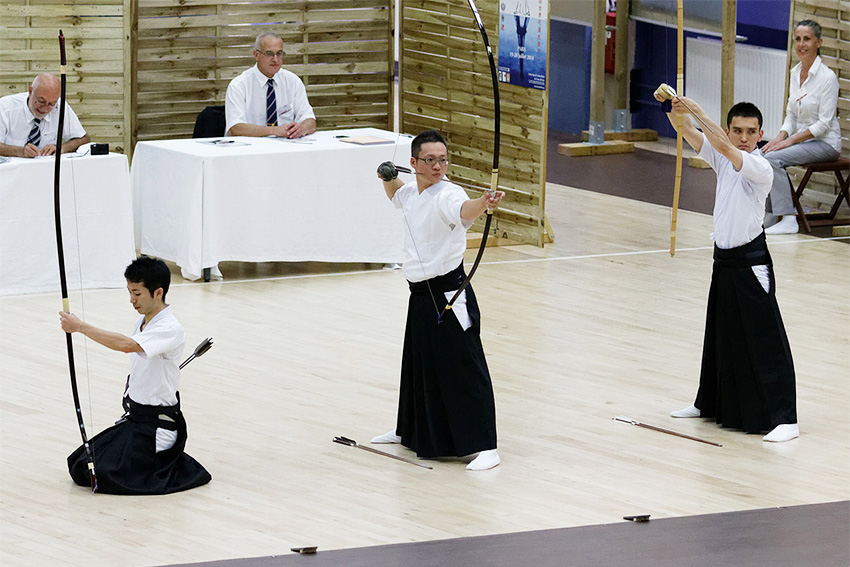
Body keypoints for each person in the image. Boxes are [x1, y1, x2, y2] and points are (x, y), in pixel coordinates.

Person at [655, 90, 799, 443]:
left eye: (751, 132)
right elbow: (689, 133)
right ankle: (709, 403)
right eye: (738, 131)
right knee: (719, 335)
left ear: (761, 134)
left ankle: (785, 418)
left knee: (765, 340)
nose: (745, 137)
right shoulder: (724, 158)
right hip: (724, 261)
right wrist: (675, 109)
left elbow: (721, 147)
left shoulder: (758, 166)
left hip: (751, 265)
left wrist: (699, 110)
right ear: (731, 131)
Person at [372, 129, 505, 470]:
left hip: (449, 293)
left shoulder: (449, 194)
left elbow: (465, 209)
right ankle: (410, 431)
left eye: (443, 160)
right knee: (417, 365)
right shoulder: (413, 193)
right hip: (419, 294)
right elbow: (396, 195)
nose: (438, 166)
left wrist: (484, 203)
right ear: (413, 163)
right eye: (430, 160)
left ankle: (485, 445)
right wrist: (386, 177)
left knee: (464, 367)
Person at [60, 256, 211, 494]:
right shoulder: (143, 322)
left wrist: (80, 327)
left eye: (137, 293)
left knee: (105, 475)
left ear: (158, 292)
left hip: (156, 427)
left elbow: (126, 345)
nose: (132, 300)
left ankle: (170, 461)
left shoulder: (169, 328)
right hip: (136, 419)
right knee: (81, 464)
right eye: (130, 292)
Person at [762, 20, 841, 235]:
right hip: (804, 141)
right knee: (762, 154)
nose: (801, 44)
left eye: (807, 39)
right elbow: (791, 116)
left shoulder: (828, 78)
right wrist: (778, 139)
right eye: (797, 39)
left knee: (773, 159)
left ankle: (787, 218)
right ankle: (770, 213)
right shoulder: (795, 73)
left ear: (819, 42)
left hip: (825, 144)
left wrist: (790, 141)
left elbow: (824, 124)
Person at [225, 32, 316, 139]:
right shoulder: (239, 85)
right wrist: (274, 131)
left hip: (286, 147)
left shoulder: (292, 81)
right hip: (250, 149)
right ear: (256, 55)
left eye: (279, 53)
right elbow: (236, 128)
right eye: (269, 54)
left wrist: (302, 128)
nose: (275, 59)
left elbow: (310, 119)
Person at [0, 73, 90, 158]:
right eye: (41, 101)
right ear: (31, 92)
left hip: (47, 169)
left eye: (51, 104)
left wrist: (61, 148)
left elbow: (84, 139)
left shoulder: (60, 107)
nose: (45, 109)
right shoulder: (5, 107)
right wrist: (21, 152)